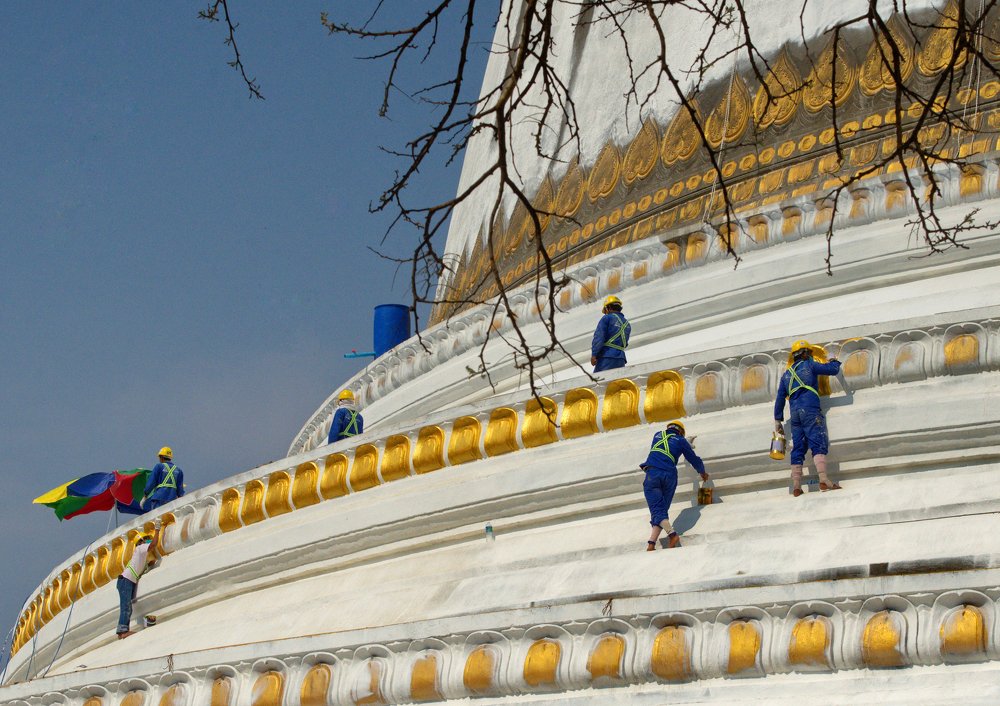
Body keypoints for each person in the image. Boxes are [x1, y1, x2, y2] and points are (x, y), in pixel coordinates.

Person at [774, 339, 843, 497]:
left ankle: (796, 486)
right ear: (805, 354)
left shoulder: (786, 375)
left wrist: (778, 420)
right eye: (809, 353)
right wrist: (833, 359)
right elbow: (832, 370)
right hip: (810, 409)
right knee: (817, 441)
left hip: (795, 414)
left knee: (798, 448)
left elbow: (779, 399)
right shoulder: (809, 365)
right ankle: (824, 479)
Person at [640, 420, 709, 550]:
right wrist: (702, 472)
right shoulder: (681, 441)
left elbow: (668, 444)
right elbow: (693, 458)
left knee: (657, 509)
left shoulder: (657, 435)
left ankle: (672, 535)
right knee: (661, 510)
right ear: (681, 432)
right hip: (670, 477)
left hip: (653, 474)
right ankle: (651, 543)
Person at [115, 527, 159, 639]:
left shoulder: (141, 556)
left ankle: (123, 630)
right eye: (145, 539)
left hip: (127, 581)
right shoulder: (140, 548)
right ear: (140, 542)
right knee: (126, 606)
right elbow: (153, 545)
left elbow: (144, 566)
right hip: (126, 580)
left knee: (127, 606)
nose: (147, 541)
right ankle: (122, 631)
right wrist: (157, 531)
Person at [591, 295, 631, 373]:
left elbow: (599, 337)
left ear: (608, 308)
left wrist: (594, 354)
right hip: (621, 358)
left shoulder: (607, 318)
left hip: (606, 357)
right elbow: (625, 344)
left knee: (600, 381)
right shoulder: (627, 324)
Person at [142, 447, 185, 511]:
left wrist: (145, 495)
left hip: (159, 498)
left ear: (161, 457)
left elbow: (151, 483)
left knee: (157, 518)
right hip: (172, 500)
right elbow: (180, 491)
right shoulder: (179, 471)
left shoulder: (159, 466)